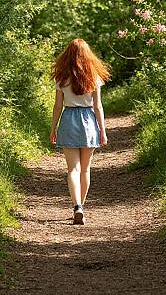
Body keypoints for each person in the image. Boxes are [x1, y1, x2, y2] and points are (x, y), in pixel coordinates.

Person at [50, 38, 110, 225]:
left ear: (67, 56)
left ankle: (77, 206)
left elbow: (57, 107)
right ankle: (81, 206)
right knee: (85, 169)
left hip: (68, 120)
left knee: (72, 169)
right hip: (88, 121)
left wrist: (53, 128)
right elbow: (98, 107)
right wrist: (102, 131)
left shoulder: (62, 78)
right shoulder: (94, 77)